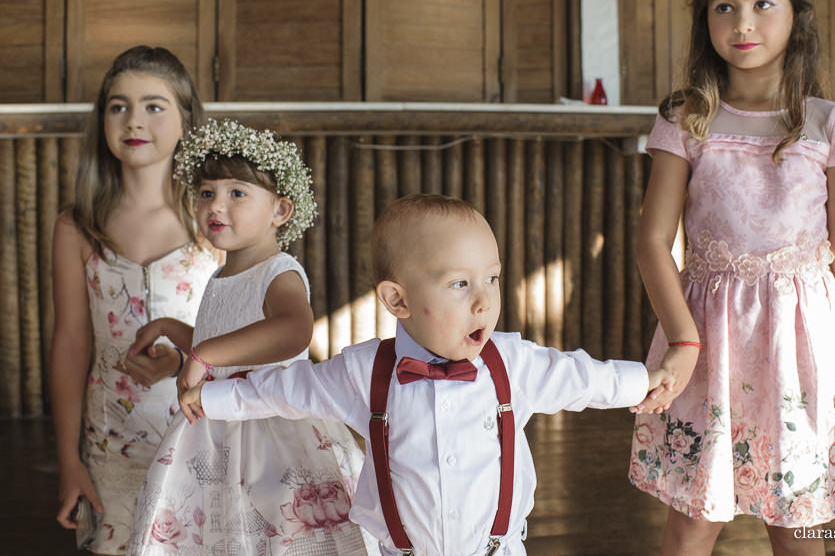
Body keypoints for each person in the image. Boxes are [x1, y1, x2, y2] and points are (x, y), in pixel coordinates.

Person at [178, 193, 676, 556]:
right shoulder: (363, 372)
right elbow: (286, 391)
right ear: (398, 300)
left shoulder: (512, 364)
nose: (484, 300)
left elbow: (581, 377)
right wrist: (214, 398)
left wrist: (642, 381)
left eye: (492, 278)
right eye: (459, 283)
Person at [627, 0, 835, 556]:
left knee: (796, 524)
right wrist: (683, 340)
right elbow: (652, 242)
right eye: (724, 6)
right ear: (705, 19)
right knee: (693, 520)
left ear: (797, 13)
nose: (743, 22)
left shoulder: (833, 125)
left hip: (804, 350)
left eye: (763, 3)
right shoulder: (685, 120)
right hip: (708, 343)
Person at [127, 119, 374, 555]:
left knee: (275, 528)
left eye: (237, 193)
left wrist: (201, 354)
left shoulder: (279, 273)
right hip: (214, 431)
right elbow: (224, 341)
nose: (216, 207)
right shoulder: (221, 273)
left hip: (271, 426)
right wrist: (174, 330)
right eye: (207, 194)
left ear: (280, 210)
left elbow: (292, 332)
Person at [50, 45, 221, 555]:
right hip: (110, 442)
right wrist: (69, 461)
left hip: (203, 436)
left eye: (153, 105)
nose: (133, 121)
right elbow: (70, 343)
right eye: (118, 106)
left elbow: (253, 334)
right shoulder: (77, 225)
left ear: (186, 118)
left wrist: (188, 359)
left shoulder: (214, 217)